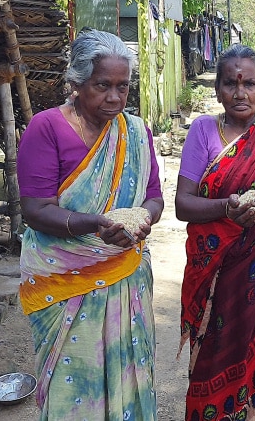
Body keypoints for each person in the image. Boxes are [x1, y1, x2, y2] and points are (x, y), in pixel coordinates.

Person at [17, 30, 165, 420]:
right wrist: (94, 225)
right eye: (103, 86)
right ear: (77, 83)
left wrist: (142, 220)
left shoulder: (135, 132)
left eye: (123, 87)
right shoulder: (47, 128)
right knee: (73, 386)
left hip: (125, 271)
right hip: (63, 276)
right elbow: (35, 209)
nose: (114, 97)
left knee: (130, 377)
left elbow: (154, 197)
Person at [175, 44, 255, 421]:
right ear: (217, 90)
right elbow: (184, 204)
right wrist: (226, 207)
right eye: (230, 84)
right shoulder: (203, 131)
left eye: (249, 83)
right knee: (213, 357)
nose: (240, 92)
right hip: (217, 274)